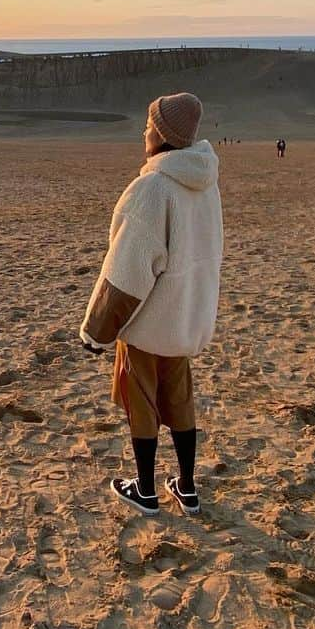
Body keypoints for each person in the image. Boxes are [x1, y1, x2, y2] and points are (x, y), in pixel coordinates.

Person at [80, 93, 223, 516]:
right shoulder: (204, 184)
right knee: (180, 398)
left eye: (148, 126)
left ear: (161, 134)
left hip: (149, 321)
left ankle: (144, 489)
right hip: (185, 317)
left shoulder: (153, 188)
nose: (143, 132)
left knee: (140, 397)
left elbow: (127, 270)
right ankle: (187, 486)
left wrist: (96, 330)